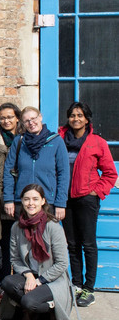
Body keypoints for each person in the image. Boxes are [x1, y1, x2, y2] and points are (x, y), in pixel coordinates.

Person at [0, 184, 80, 320]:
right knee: (7, 282)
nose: (31, 203)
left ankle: (50, 309)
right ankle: (36, 312)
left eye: (35, 199)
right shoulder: (17, 227)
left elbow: (62, 264)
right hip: (31, 275)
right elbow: (15, 259)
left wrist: (39, 281)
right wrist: (29, 276)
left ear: (43, 201)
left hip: (53, 279)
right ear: (21, 201)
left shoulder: (54, 227)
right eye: (27, 199)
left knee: (29, 301)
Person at [59, 102, 117, 307]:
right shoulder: (59, 139)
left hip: (86, 199)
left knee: (88, 244)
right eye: (72, 115)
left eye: (80, 115)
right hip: (65, 200)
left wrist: (97, 192)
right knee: (72, 244)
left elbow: (110, 173)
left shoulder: (97, 142)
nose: (76, 119)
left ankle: (89, 288)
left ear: (87, 119)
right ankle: (76, 284)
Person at [3, 107, 70, 221]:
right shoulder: (19, 141)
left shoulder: (56, 141)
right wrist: (8, 199)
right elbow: (8, 170)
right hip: (23, 202)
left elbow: (64, 174)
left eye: (33, 118)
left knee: (46, 237)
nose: (31, 123)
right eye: (26, 121)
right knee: (22, 237)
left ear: (40, 117)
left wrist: (61, 203)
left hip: (48, 202)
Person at [0, 102, 23, 277]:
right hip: (1, 197)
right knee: (4, 241)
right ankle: (4, 280)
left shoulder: (26, 139)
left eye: (10, 117)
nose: (6, 121)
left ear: (17, 118)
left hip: (21, 196)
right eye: (2, 118)